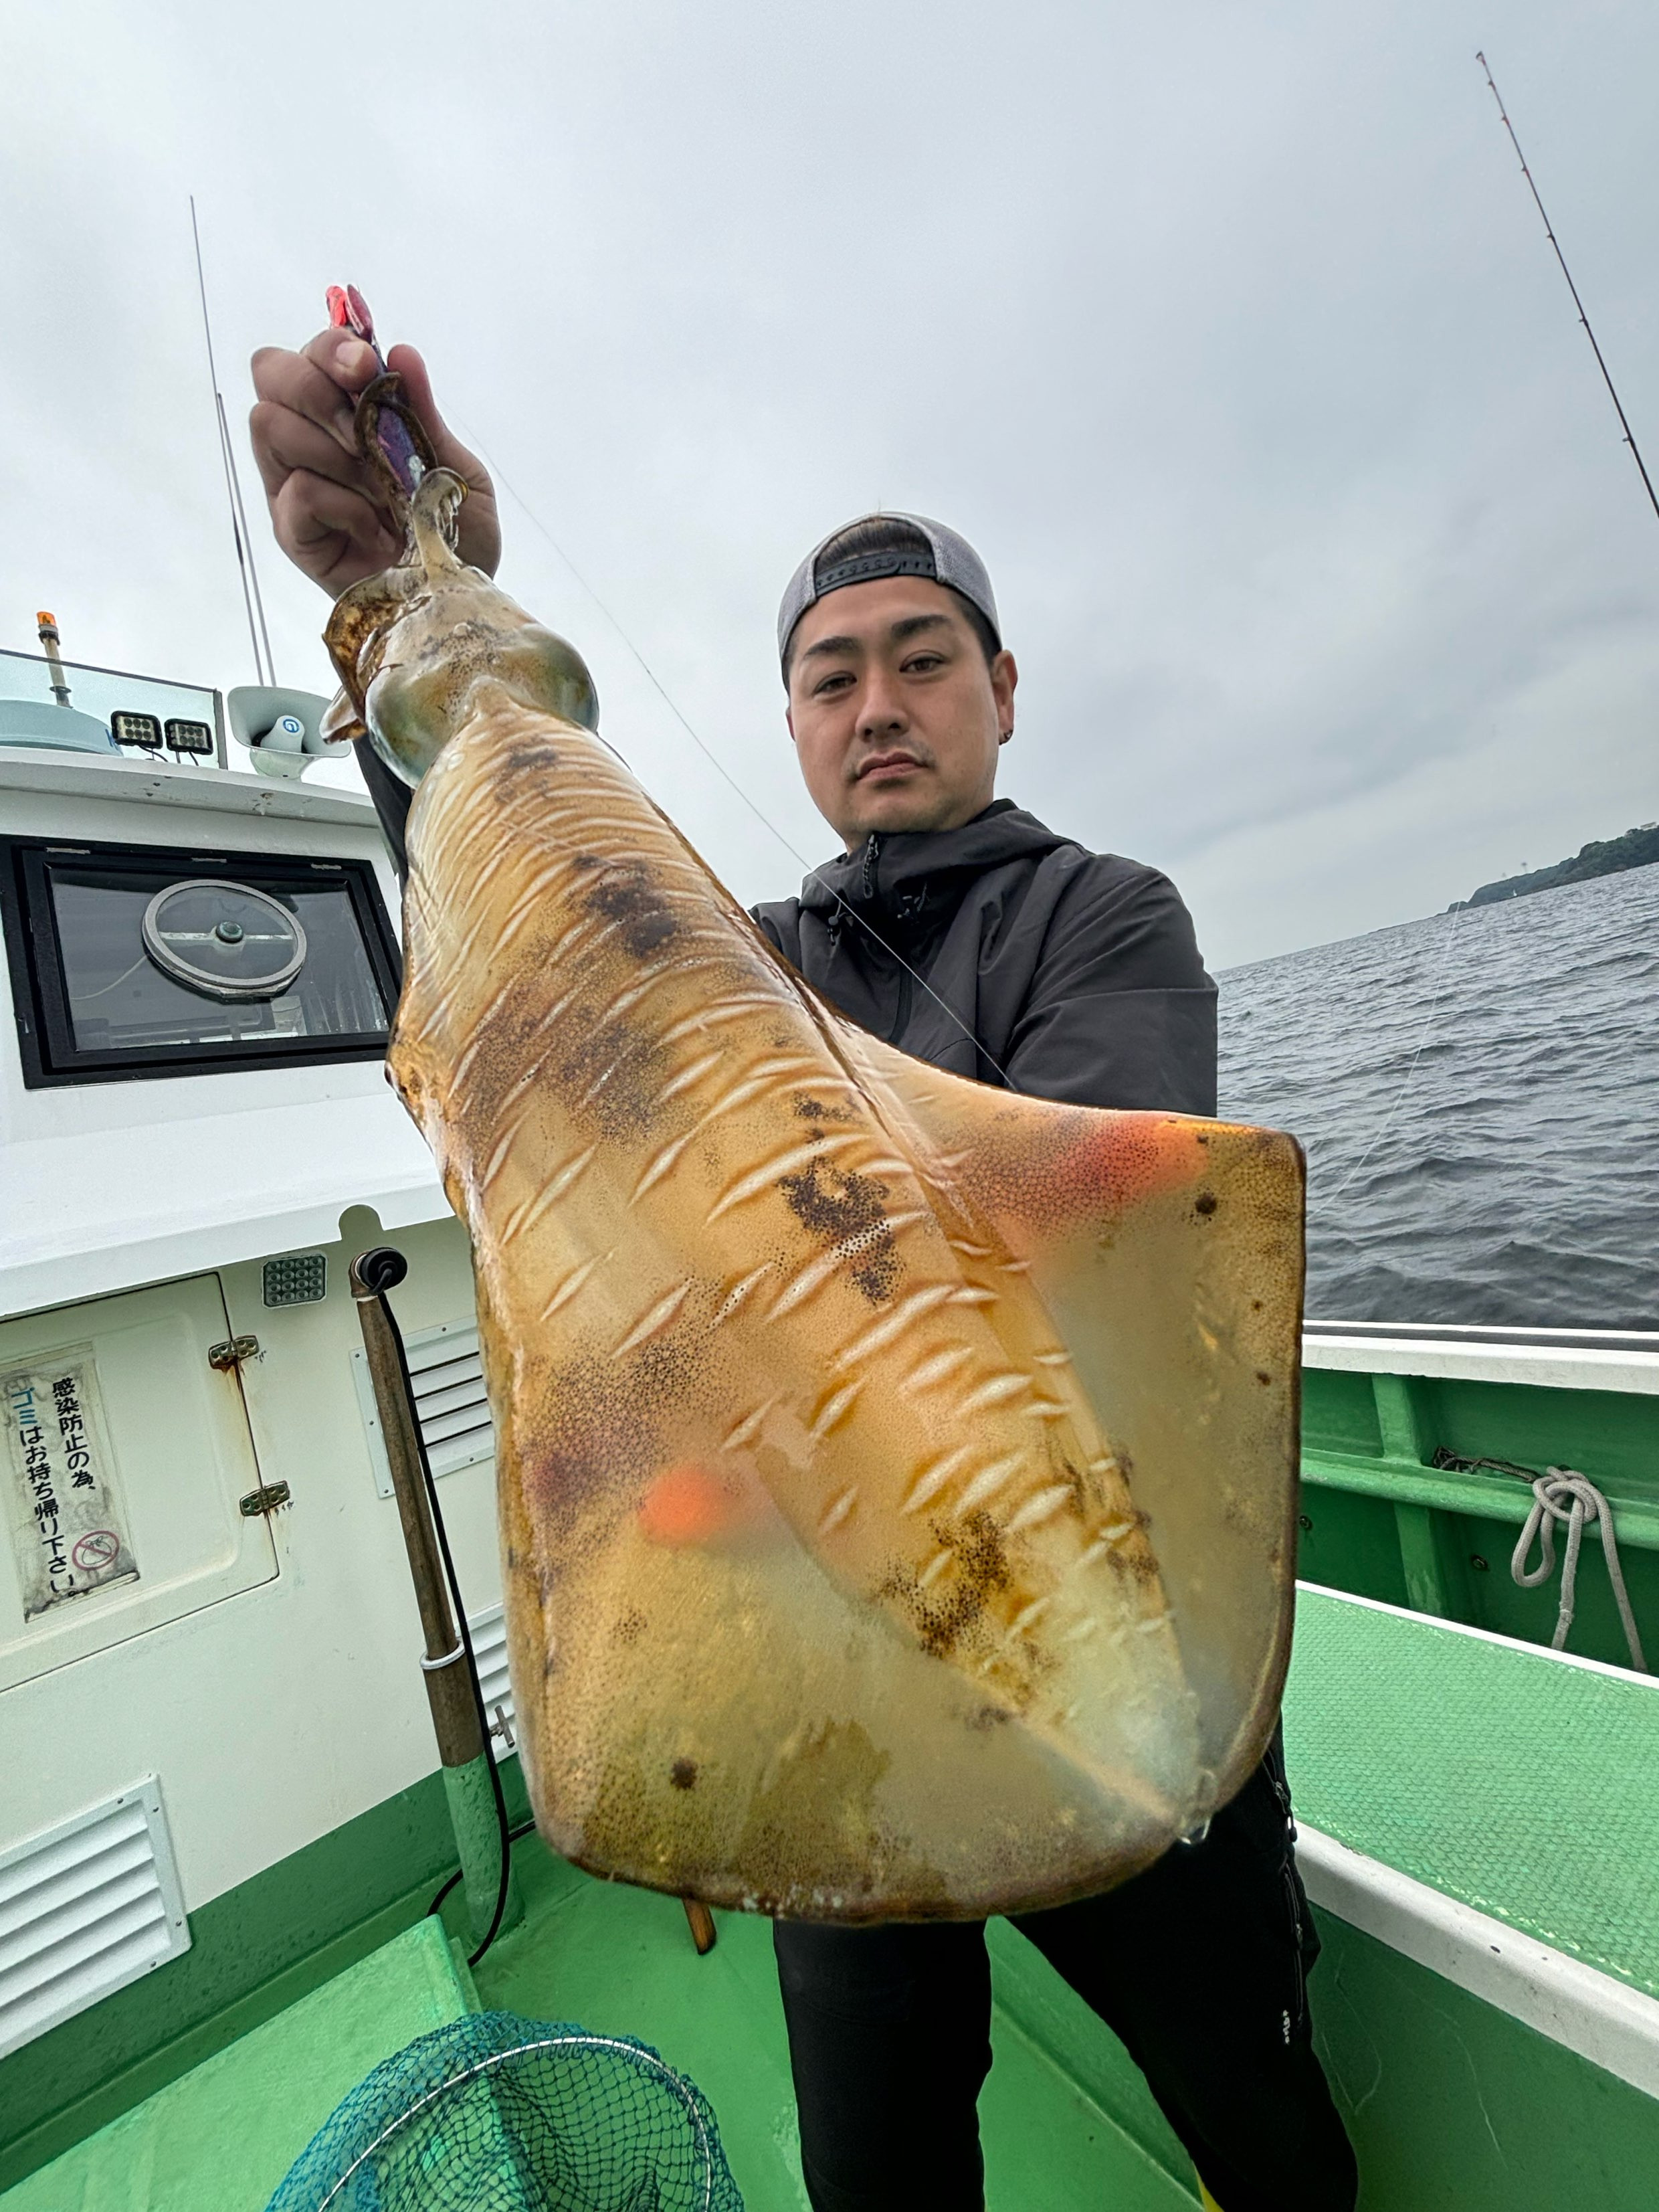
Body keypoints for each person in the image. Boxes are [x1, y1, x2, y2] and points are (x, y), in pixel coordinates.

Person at [251, 328, 1359, 2212]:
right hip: (830, 1689)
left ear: (1002, 686)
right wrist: (411, 626)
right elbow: (538, 998)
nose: (880, 702)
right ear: (789, 727)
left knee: (1257, 2115)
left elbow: (1084, 1255)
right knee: (880, 2166)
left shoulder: (1099, 916)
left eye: (923, 656)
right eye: (832, 674)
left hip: (1109, 1631)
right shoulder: (739, 955)